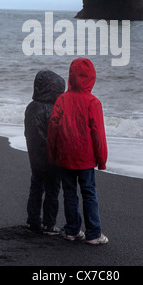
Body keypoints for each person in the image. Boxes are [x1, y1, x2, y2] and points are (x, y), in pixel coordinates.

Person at [47, 58, 108, 245]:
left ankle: (72, 230)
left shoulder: (62, 99)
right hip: (85, 158)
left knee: (69, 193)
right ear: (91, 78)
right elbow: (98, 134)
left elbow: (53, 129)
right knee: (89, 193)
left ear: (71, 77)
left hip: (65, 156)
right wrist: (102, 159)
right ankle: (94, 234)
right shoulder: (93, 102)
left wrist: (52, 154)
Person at [24, 69, 65, 235]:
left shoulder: (31, 107)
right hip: (52, 157)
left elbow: (30, 133)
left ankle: (33, 221)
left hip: (35, 156)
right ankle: (49, 224)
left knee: (36, 187)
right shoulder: (54, 109)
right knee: (53, 190)